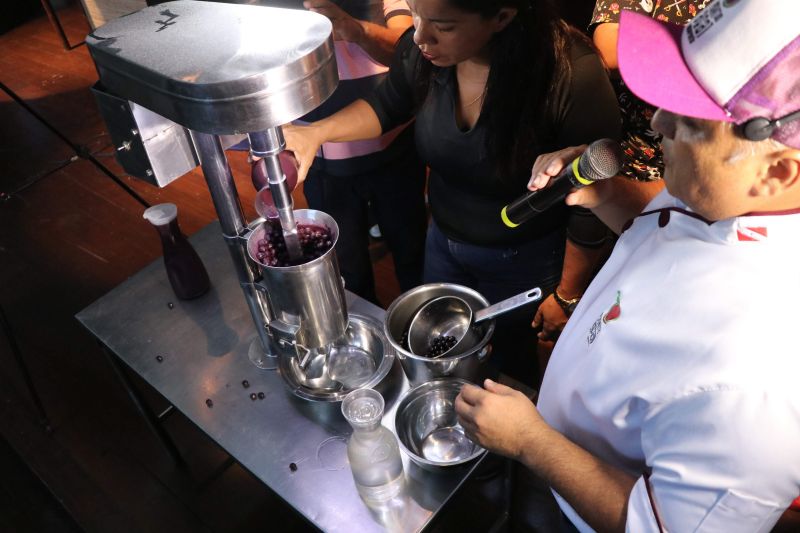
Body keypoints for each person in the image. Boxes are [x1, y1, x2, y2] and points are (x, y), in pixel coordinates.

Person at [455, 0, 800, 530]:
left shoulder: (756, 388)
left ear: (778, 172)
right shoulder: (732, 195)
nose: (658, 120)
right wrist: (609, 194)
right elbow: (671, 229)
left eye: (689, 122)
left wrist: (532, 442)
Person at [284, 0, 620, 384]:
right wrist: (315, 133)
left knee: (507, 367)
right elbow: (388, 103)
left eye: (442, 26)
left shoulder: (571, 74)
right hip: (443, 241)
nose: (419, 35)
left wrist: (566, 294)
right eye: (414, 12)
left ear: (503, 15)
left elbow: (590, 202)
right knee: (442, 347)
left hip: (523, 259)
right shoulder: (425, 52)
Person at [271, 0, 428, 305]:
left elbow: (411, 52)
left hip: (394, 148)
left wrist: (356, 30)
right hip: (320, 160)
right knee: (347, 266)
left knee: (413, 253)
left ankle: (419, 327)